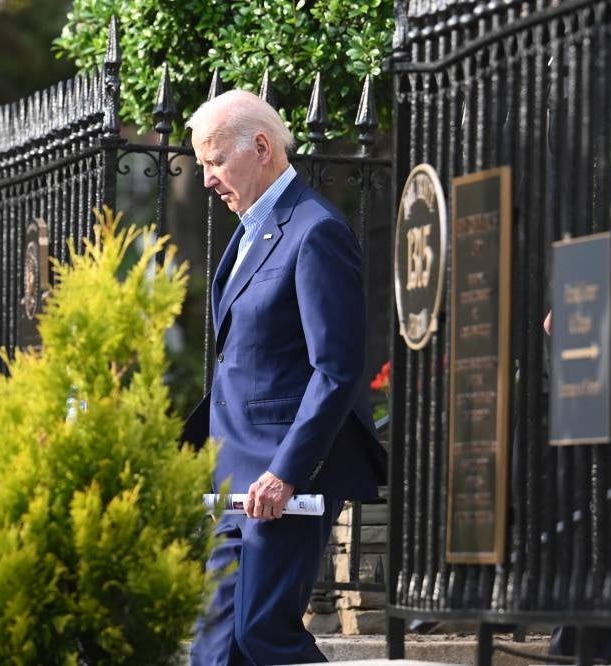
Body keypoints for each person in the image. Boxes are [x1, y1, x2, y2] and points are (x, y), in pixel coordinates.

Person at [181, 89, 386, 665]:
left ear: (261, 147)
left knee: (262, 632)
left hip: (282, 477)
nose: (207, 179)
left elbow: (336, 368)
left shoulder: (316, 230)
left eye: (215, 161)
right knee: (215, 648)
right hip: (232, 476)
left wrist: (286, 473)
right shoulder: (250, 231)